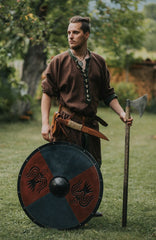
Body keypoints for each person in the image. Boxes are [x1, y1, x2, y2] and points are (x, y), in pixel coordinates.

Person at [41, 16, 133, 216]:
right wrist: (44, 124)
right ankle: (62, 211)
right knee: (64, 168)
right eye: (68, 32)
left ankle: (86, 207)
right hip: (66, 125)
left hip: (90, 126)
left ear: (86, 35)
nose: (70, 36)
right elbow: (47, 93)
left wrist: (121, 113)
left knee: (91, 167)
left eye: (75, 32)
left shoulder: (99, 62)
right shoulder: (58, 61)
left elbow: (108, 94)